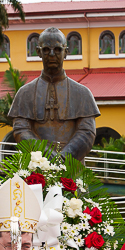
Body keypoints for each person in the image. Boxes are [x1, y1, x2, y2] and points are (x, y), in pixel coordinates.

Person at [8, 27, 100, 160]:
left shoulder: (82, 94)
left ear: (66, 52)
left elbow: (87, 132)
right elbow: (21, 130)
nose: (52, 54)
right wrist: (44, 155)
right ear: (38, 52)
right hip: (37, 168)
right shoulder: (25, 93)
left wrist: (64, 157)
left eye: (57, 50)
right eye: (46, 49)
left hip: (71, 168)